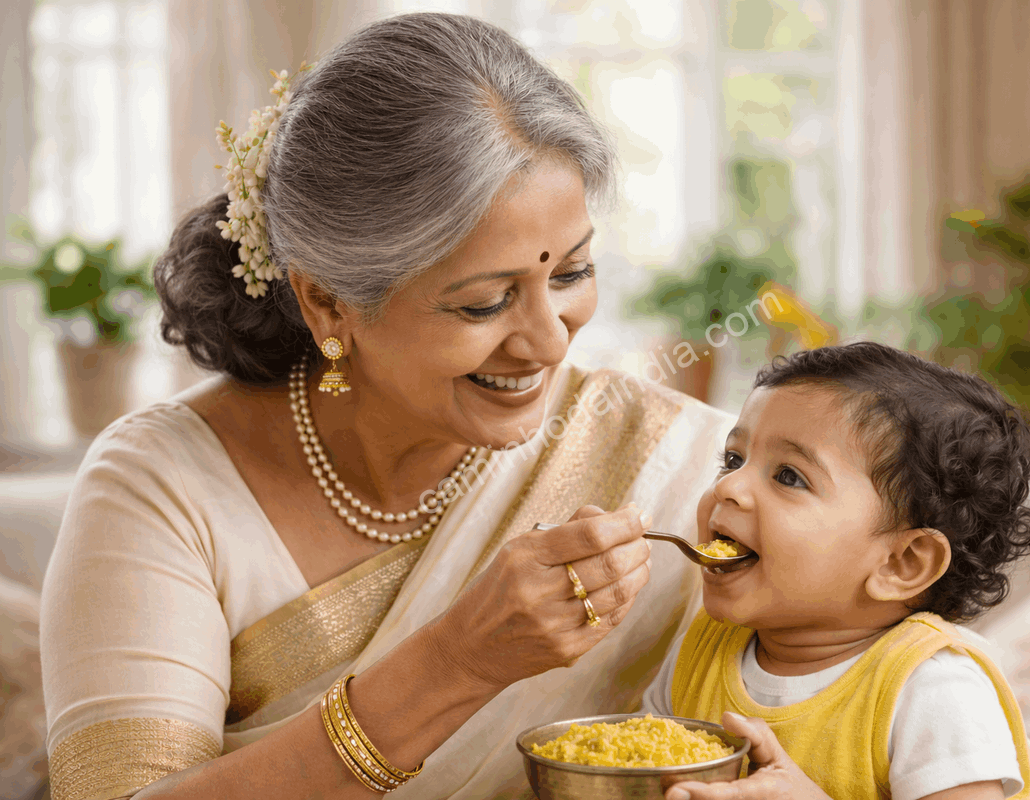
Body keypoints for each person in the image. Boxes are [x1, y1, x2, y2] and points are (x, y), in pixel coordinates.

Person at [39, 13, 736, 800]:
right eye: (485, 304)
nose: (548, 342)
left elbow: (877, 691)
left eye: (570, 273)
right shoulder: (163, 488)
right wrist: (456, 663)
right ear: (329, 303)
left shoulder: (671, 462)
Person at [640, 342, 1030, 800]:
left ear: (901, 564)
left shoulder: (931, 690)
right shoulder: (698, 654)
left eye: (789, 476)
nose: (729, 486)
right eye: (733, 460)